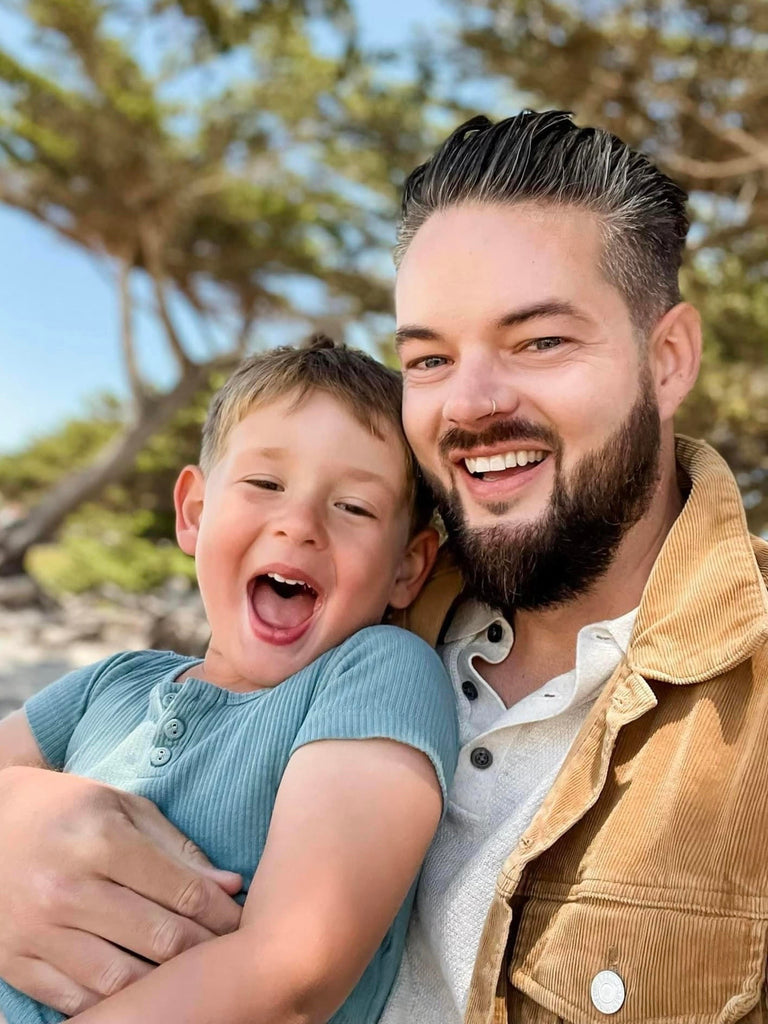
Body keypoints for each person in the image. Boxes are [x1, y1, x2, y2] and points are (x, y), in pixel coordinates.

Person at [2, 109, 768, 1023]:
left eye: (541, 341)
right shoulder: (367, 607)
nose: (473, 402)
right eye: (430, 358)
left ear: (669, 356)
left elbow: (290, 970)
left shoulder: (744, 716)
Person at [0, 336, 458, 1024]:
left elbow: (289, 976)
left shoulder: (379, 674)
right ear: (193, 512)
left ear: (408, 568)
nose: (299, 524)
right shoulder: (112, 682)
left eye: (355, 507)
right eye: (266, 484)